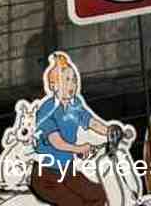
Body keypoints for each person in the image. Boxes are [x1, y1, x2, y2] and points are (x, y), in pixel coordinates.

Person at [30, 53, 107, 206]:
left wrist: (110, 131)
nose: (72, 84)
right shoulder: (47, 110)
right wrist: (79, 148)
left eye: (74, 80)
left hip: (68, 171)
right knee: (74, 202)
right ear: (53, 85)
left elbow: (91, 122)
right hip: (46, 174)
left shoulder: (75, 105)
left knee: (99, 195)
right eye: (66, 80)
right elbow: (56, 142)